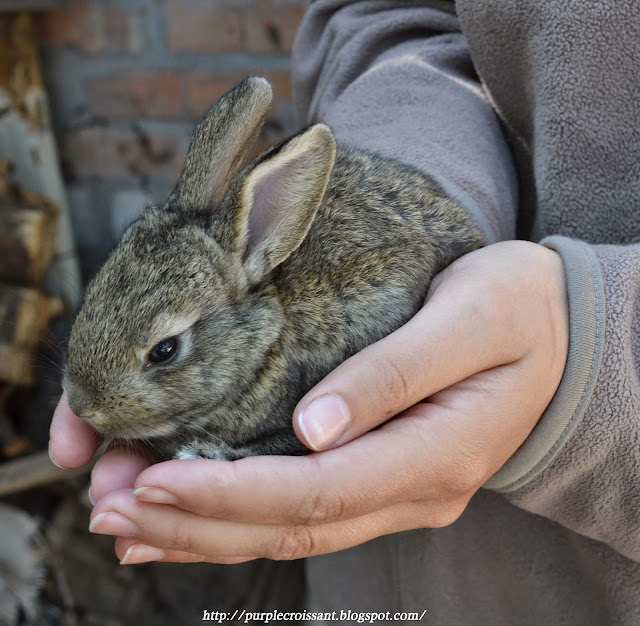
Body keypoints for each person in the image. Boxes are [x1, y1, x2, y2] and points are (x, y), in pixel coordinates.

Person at [50, 1, 640, 623]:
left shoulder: (283, 345)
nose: (87, 406)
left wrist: (584, 364)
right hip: (369, 590)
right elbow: (391, 14)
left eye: (164, 351)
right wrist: (422, 160)